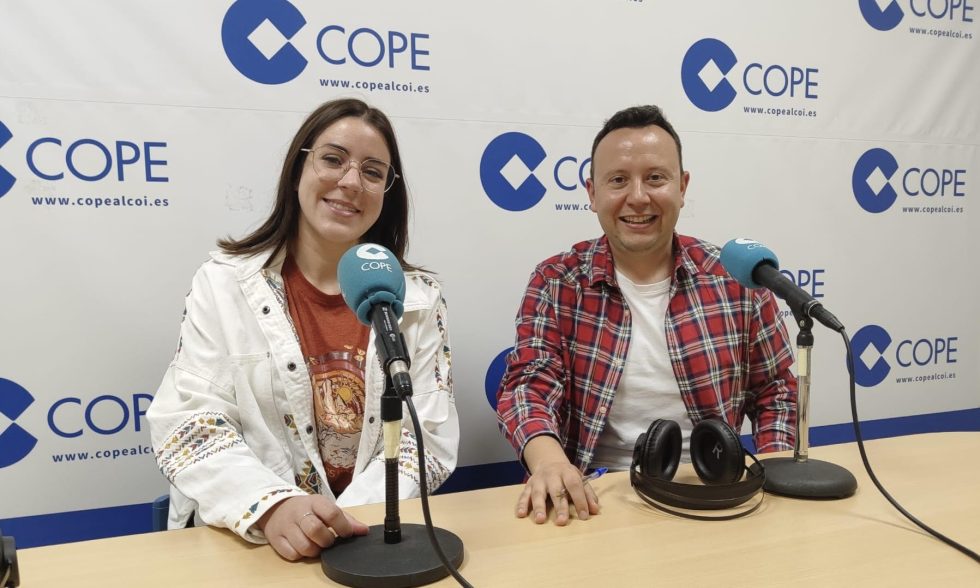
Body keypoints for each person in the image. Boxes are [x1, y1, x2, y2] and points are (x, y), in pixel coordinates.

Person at [147, 98, 459, 561]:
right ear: (298, 171)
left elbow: (426, 438)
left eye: (372, 172)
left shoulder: (418, 298)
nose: (350, 182)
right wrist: (274, 507)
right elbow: (189, 425)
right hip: (254, 546)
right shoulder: (224, 284)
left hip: (370, 542)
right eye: (333, 159)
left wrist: (346, 522)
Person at [496, 105, 797, 526]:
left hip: (720, 492)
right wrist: (549, 462)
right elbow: (528, 388)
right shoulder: (556, 281)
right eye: (618, 180)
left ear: (682, 187)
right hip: (593, 498)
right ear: (592, 193)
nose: (638, 197)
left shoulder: (736, 279)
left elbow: (776, 391)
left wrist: (775, 471)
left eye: (655, 178)